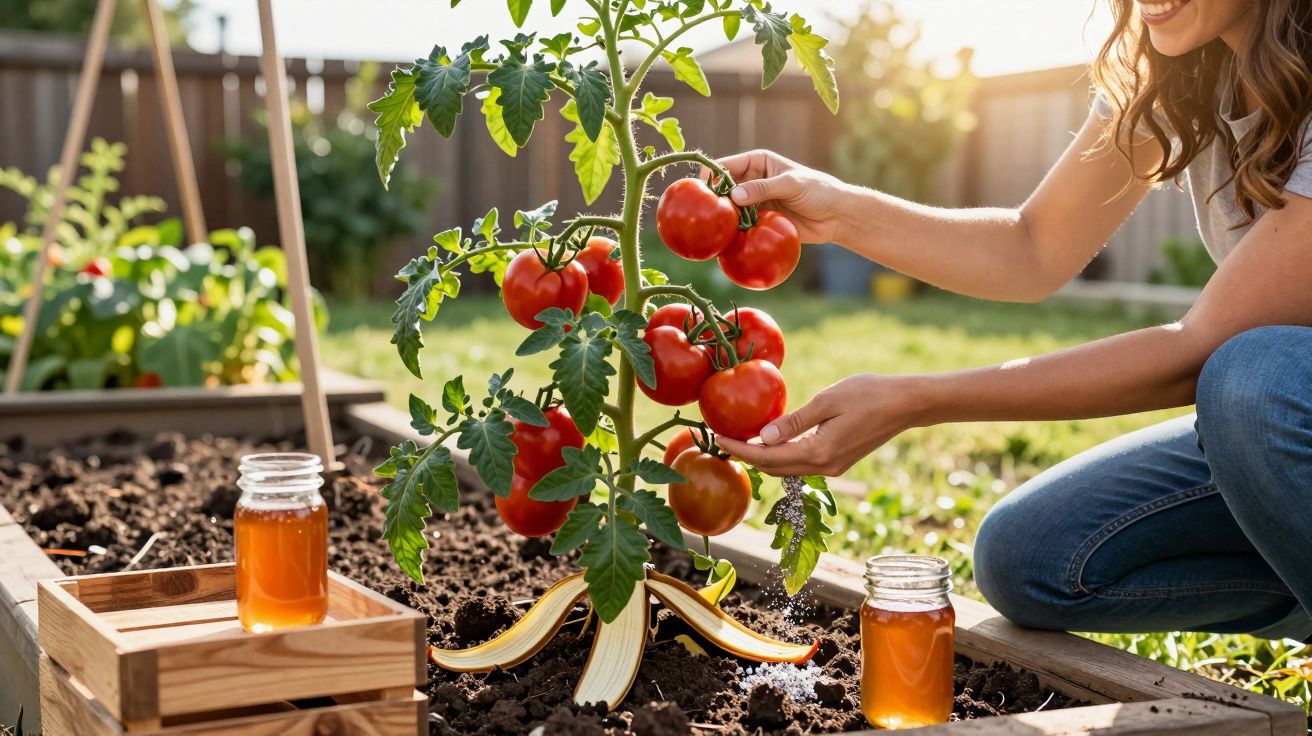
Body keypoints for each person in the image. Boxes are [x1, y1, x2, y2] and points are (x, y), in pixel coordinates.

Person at [714, 0, 1312, 641]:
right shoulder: (1178, 68)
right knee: (1033, 558)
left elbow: (1201, 349)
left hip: (1275, 403)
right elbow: (1033, 248)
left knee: (1250, 380)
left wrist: (916, 399)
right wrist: (838, 211)